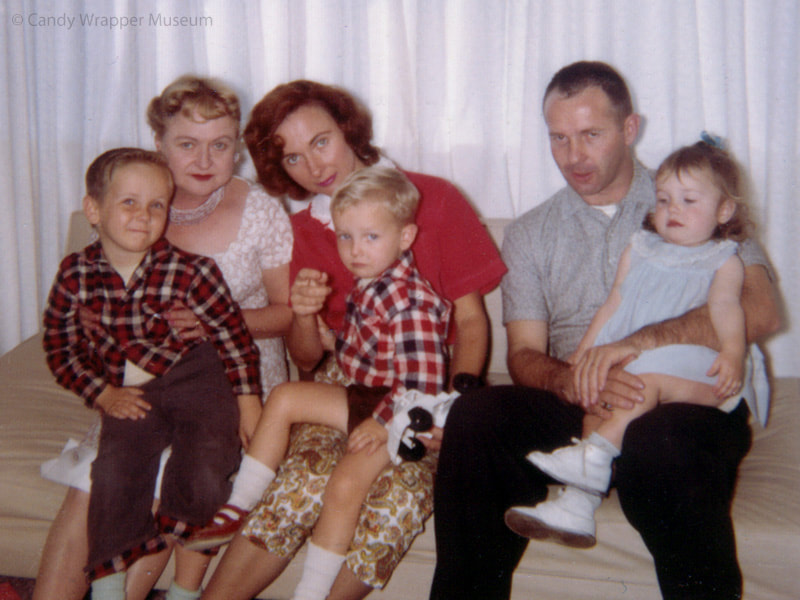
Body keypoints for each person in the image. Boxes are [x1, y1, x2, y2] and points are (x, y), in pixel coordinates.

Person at [429, 61, 780, 600]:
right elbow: (524, 354)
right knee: (478, 415)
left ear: (630, 129)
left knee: (657, 442)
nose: (574, 156)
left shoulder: (691, 195)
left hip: (687, 398)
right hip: (584, 397)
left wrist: (636, 346)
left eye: (591, 135)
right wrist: (573, 381)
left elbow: (761, 312)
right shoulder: (530, 234)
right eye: (560, 138)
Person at [200, 80, 507, 600]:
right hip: (348, 375)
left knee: (399, 498)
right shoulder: (304, 231)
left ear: (347, 129)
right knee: (302, 482)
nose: (315, 167)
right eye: (293, 158)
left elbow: (473, 323)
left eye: (321, 141)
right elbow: (308, 357)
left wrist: (455, 406)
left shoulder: (432, 199)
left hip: (426, 378)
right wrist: (301, 312)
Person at [33, 76, 293, 600]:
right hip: (143, 376)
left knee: (187, 471)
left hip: (232, 374)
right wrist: (91, 325)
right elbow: (93, 300)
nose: (204, 158)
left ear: (236, 147)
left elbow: (287, 314)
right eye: (186, 143)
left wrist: (225, 321)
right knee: (95, 481)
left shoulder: (262, 210)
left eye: (220, 145)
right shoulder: (132, 200)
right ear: (160, 143)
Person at [189, 166, 450, 600]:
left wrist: (383, 422)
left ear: (405, 237)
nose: (354, 250)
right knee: (286, 396)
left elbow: (421, 383)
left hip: (404, 413)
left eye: (370, 237)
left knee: (345, 485)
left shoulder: (411, 303)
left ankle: (311, 593)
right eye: (346, 236)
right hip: (369, 395)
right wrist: (333, 340)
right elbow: (367, 349)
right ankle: (240, 505)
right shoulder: (375, 283)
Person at [505, 139, 770, 547]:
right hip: (638, 366)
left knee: (641, 383)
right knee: (601, 396)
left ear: (724, 211)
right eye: (663, 200)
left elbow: (727, 311)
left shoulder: (723, 259)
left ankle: (593, 459)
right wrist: (583, 356)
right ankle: (577, 505)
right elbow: (613, 305)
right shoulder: (640, 248)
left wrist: (734, 352)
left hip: (702, 372)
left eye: (688, 200)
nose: (672, 210)